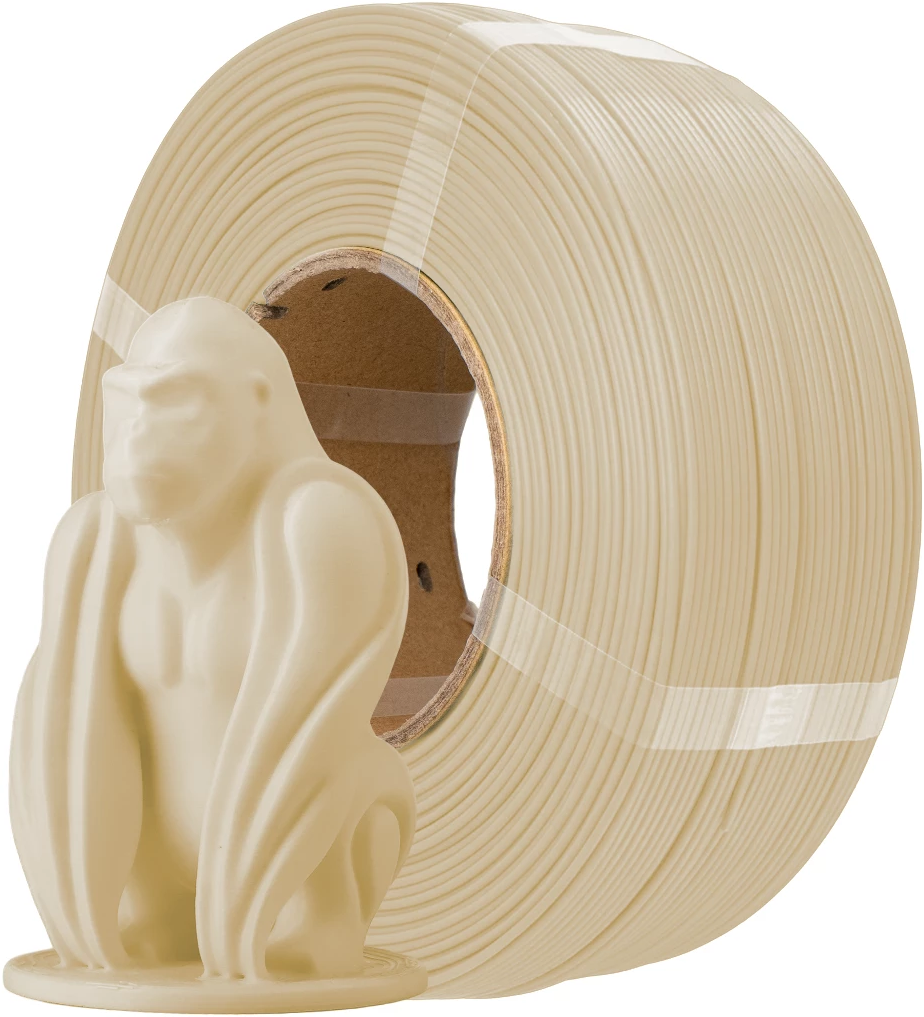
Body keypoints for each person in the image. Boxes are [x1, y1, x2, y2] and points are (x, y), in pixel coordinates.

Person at [10, 296, 414, 981]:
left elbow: (311, 732)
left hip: (307, 857)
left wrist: (242, 917)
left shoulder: (315, 522)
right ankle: (166, 914)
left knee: (358, 774)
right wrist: (81, 919)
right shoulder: (98, 540)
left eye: (175, 403)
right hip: (157, 874)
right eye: (127, 402)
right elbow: (63, 728)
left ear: (256, 405)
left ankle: (318, 921)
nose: (138, 433)